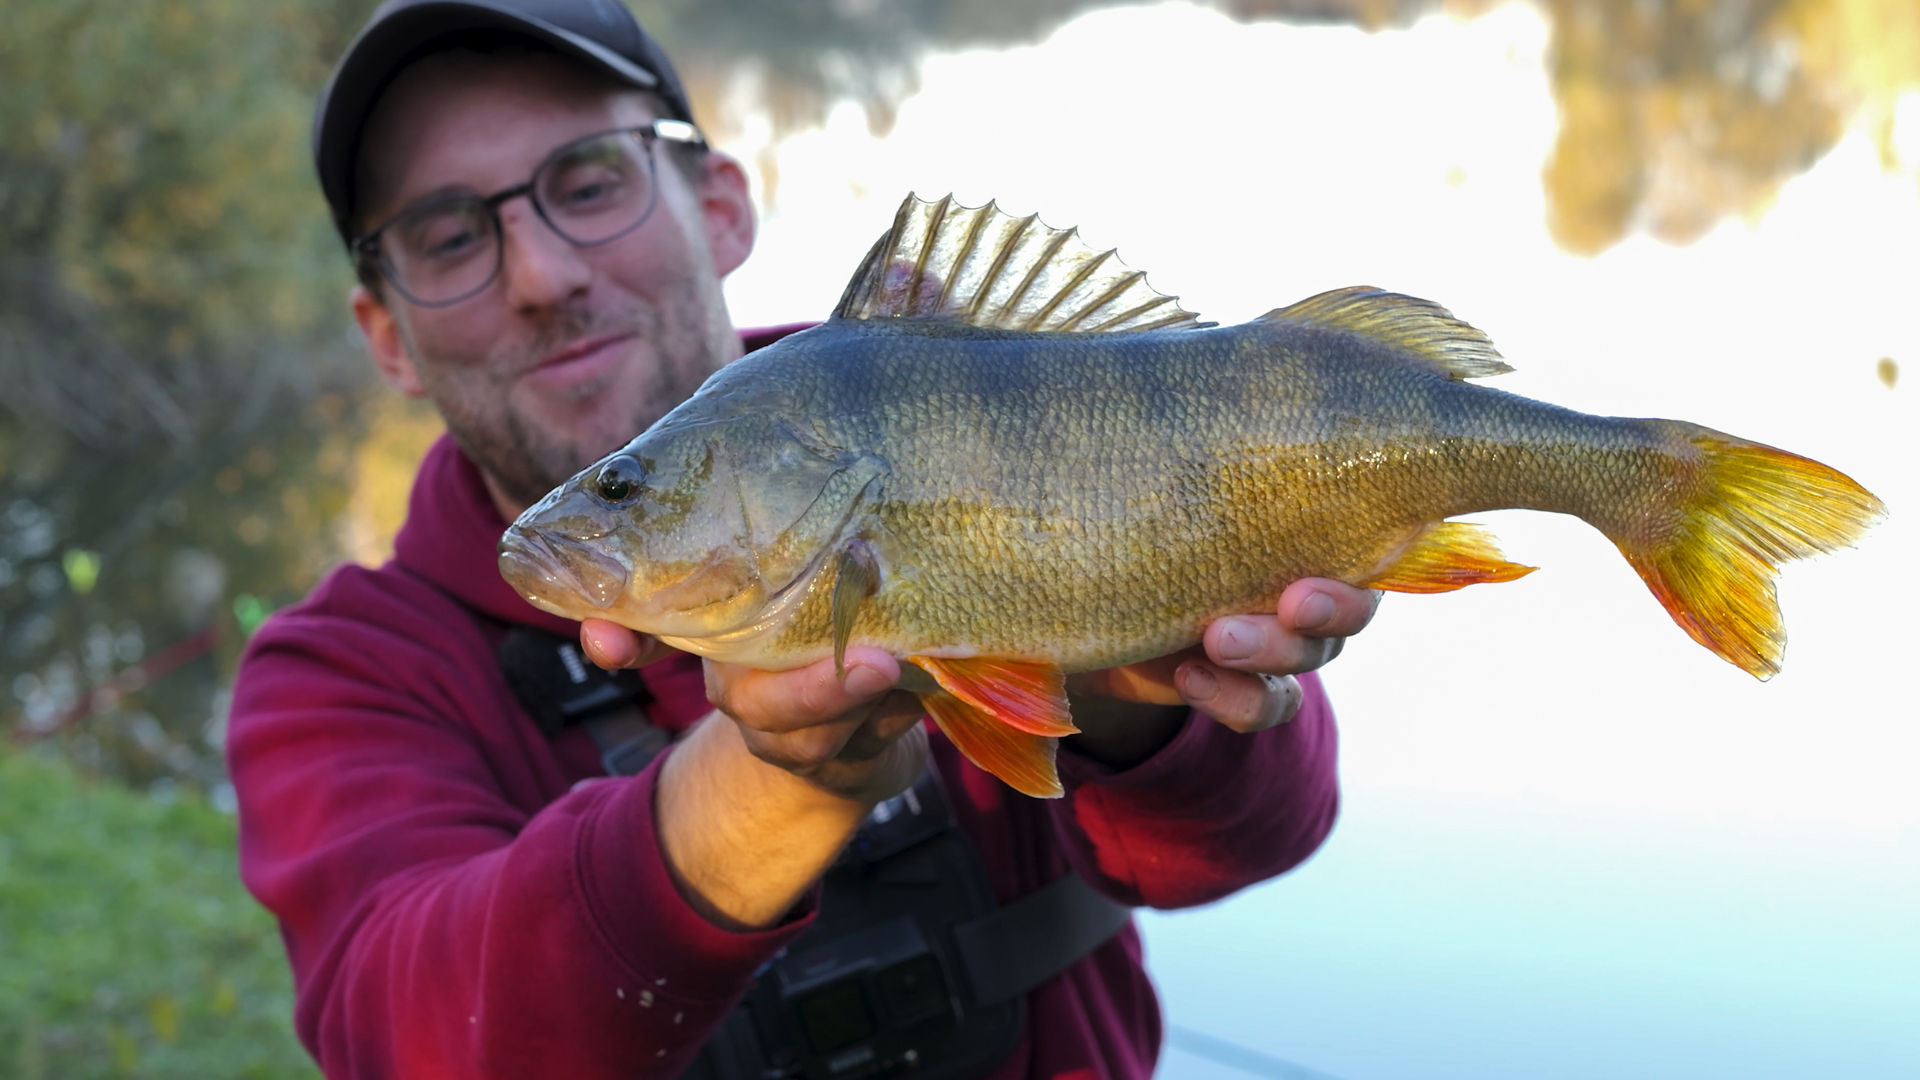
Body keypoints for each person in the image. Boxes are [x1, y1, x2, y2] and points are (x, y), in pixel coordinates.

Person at [228, 1, 1378, 1077]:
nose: (541, 276)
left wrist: (1121, 680)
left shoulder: (963, 415)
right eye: (446, 237)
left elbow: (1252, 839)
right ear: (386, 335)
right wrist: (777, 781)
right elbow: (413, 1036)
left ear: (721, 207)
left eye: (588, 182)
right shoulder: (341, 675)